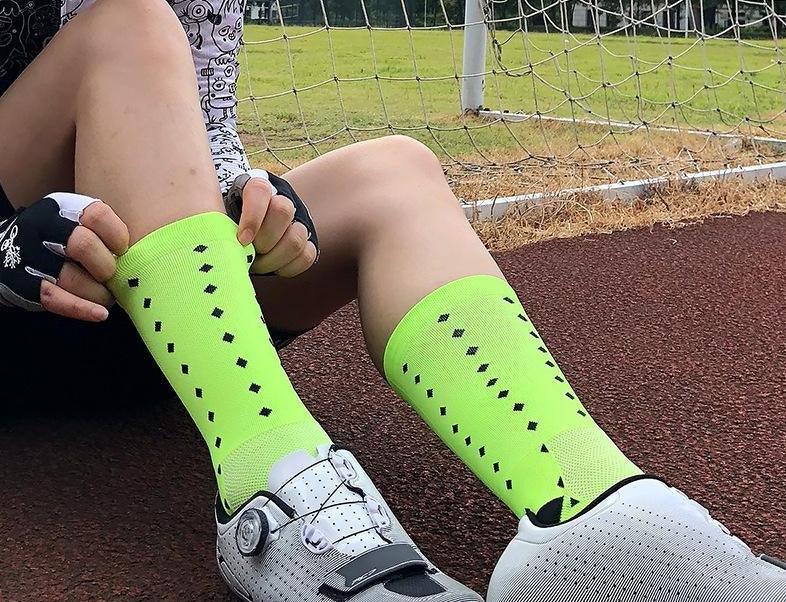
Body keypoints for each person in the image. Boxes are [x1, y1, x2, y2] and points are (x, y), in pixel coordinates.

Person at [1, 1, 784, 601]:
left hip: (161, 331)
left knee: (393, 172)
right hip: (20, 321)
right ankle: (271, 491)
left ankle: (592, 509)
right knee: (128, 23)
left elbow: (201, 132)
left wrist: (248, 201)